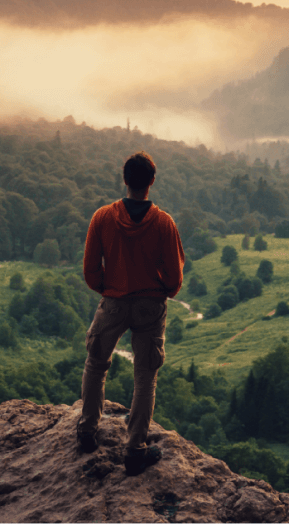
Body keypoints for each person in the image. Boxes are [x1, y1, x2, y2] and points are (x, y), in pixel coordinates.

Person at [77, 151, 184, 475]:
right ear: (152, 182)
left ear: (125, 180)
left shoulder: (102, 218)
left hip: (113, 302)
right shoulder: (164, 223)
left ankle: (86, 432)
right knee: (145, 375)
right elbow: (175, 278)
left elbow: (90, 269)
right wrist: (160, 291)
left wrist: (109, 290)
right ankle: (135, 449)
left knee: (96, 364)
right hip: (150, 305)